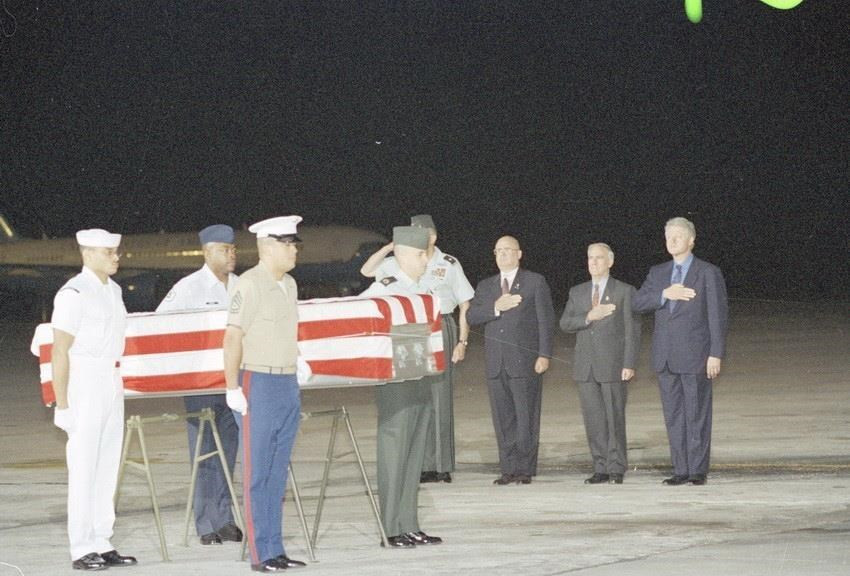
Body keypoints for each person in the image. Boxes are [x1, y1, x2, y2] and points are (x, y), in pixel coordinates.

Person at [360, 214, 474, 484]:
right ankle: (420, 464)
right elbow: (366, 272)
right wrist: (391, 247)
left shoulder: (448, 263)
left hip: (441, 325)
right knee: (414, 396)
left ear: (432, 236)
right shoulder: (394, 264)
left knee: (440, 396)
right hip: (409, 330)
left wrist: (462, 341)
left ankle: (442, 464)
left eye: (420, 233)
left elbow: (465, 304)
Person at [50, 228, 138, 570]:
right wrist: (63, 404)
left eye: (116, 252)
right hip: (84, 381)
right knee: (84, 468)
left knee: (107, 466)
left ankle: (102, 539)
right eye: (108, 252)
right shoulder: (74, 293)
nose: (116, 257)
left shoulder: (113, 290)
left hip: (111, 380)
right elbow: (60, 350)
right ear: (87, 254)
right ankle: (81, 546)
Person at [223, 216, 306, 572]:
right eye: (288, 244)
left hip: (286, 384)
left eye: (294, 244)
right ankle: (261, 554)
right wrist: (231, 386)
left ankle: (277, 547)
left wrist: (298, 359)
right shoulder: (249, 284)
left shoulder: (289, 284)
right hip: (258, 384)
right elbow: (232, 337)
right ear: (268, 247)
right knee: (258, 473)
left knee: (277, 472)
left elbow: (285, 332)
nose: (294, 250)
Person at [156, 224, 242, 545]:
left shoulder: (240, 285)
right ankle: (206, 524)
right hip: (201, 384)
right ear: (207, 252)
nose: (231, 255)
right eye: (224, 250)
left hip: (232, 381)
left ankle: (225, 519)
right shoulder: (188, 287)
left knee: (228, 454)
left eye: (233, 250)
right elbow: (162, 324)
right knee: (204, 453)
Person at [359, 225, 443, 548]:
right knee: (395, 451)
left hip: (418, 375)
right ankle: (390, 527)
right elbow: (363, 312)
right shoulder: (386, 287)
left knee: (414, 453)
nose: (426, 259)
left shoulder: (420, 287)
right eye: (421, 254)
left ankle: (409, 523)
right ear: (405, 255)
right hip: (395, 381)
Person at [633, 217, 728, 486]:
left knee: (696, 413)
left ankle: (697, 470)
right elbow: (638, 302)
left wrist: (716, 353)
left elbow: (717, 316)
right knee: (674, 415)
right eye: (668, 237)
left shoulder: (707, 272)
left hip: (696, 355)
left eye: (677, 236)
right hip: (665, 357)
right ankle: (680, 469)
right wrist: (665, 294)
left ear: (691, 240)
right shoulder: (658, 272)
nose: (671, 241)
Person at [467, 235, 555, 485]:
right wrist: (496, 306)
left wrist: (544, 355)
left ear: (519, 254)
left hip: (525, 361)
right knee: (503, 417)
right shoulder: (487, 286)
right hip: (496, 362)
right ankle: (508, 468)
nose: (503, 254)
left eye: (508, 250)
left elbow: (545, 321)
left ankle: (524, 468)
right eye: (498, 251)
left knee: (525, 415)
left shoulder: (534, 282)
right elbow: (472, 316)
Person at [560, 243, 640, 485]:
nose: (593, 262)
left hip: (613, 365)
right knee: (594, 419)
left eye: (598, 258)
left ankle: (616, 467)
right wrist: (588, 317)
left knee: (614, 417)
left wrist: (629, 362)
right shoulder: (578, 292)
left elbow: (632, 330)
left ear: (610, 262)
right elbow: (565, 323)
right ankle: (600, 466)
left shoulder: (624, 291)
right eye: (590, 258)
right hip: (586, 367)